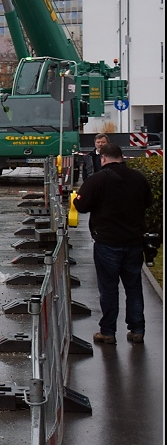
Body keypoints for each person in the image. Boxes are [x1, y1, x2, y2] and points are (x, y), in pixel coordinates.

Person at [73, 142, 153, 344]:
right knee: (134, 288)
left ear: (103, 159)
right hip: (134, 242)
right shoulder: (138, 178)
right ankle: (137, 330)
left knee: (109, 288)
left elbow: (81, 206)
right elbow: (148, 202)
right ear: (122, 156)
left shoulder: (97, 180)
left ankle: (107, 332)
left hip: (107, 242)